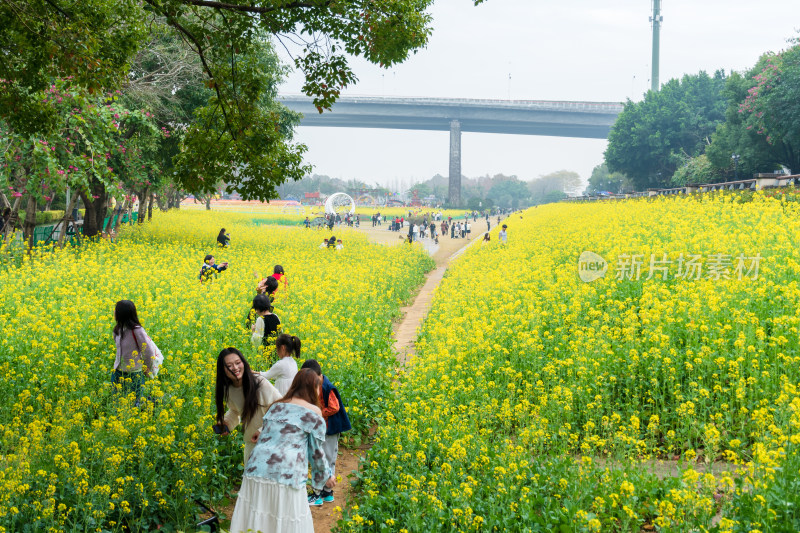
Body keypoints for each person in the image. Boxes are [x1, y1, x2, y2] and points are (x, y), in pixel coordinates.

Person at [228, 369, 334, 533]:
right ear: (315, 388)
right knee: (285, 521)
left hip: (256, 469)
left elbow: (269, 434)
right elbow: (316, 453)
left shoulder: (276, 406)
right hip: (287, 473)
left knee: (257, 519)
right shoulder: (314, 413)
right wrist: (325, 477)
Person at [215, 347, 282, 464]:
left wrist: (263, 430)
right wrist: (226, 423)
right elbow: (236, 411)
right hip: (252, 444)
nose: (235, 368)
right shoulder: (229, 389)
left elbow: (281, 408)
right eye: (229, 366)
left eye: (237, 363)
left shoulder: (260, 383)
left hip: (272, 442)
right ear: (223, 369)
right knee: (251, 481)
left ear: (243, 363)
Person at [300, 359, 351, 506]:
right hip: (323, 429)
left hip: (330, 429)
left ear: (317, 376)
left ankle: (323, 493)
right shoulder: (317, 385)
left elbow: (334, 407)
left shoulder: (328, 387)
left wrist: (319, 413)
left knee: (326, 459)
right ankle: (324, 493)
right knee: (322, 458)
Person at [112, 300, 155, 401]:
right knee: (117, 402)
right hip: (118, 373)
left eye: (116, 310)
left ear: (122, 313)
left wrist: (147, 368)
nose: (114, 312)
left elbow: (148, 351)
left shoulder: (137, 330)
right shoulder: (117, 329)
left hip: (134, 374)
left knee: (135, 403)